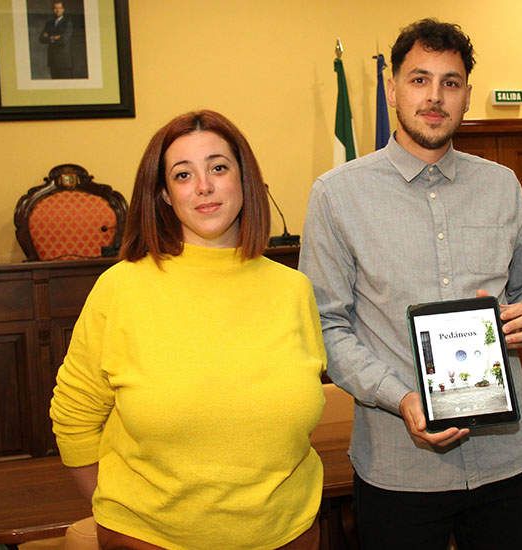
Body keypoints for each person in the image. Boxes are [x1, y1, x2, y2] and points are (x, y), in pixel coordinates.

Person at [299, 18, 522, 550]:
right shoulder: (336, 195)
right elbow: (326, 325)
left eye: (451, 82)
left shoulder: (501, 185)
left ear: (467, 96)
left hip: (506, 463)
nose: (435, 97)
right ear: (392, 89)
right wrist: (399, 398)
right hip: (399, 471)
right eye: (419, 80)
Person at [50, 110, 327, 549]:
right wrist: (120, 515)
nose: (204, 186)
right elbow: (74, 419)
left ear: (244, 179)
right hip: (149, 539)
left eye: (218, 167)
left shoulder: (293, 289)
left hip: (289, 535)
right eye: (183, 175)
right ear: (163, 194)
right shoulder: (121, 289)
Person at [39, 1, 73, 78]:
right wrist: (54, 37)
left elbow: (64, 40)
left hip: (63, 61)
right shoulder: (49, 23)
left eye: (59, 8)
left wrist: (49, 37)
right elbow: (41, 39)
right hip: (52, 60)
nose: (57, 10)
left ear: (63, 9)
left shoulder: (67, 23)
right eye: (55, 8)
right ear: (53, 10)